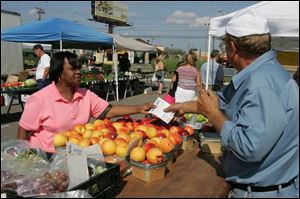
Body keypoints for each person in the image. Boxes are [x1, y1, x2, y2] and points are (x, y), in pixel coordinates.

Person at [164, 9, 299, 198]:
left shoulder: (261, 84)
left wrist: (213, 115)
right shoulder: (261, 74)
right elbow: (223, 101)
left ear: (232, 47)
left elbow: (250, 147)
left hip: (262, 193)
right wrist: (183, 107)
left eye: (224, 45)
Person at [17, 51, 154, 153]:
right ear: (58, 73)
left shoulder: (85, 94)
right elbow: (23, 131)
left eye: (78, 68)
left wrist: (139, 108)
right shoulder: (40, 99)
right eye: (72, 69)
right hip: (47, 157)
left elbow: (107, 110)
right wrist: (23, 160)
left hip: (75, 155)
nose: (78, 72)